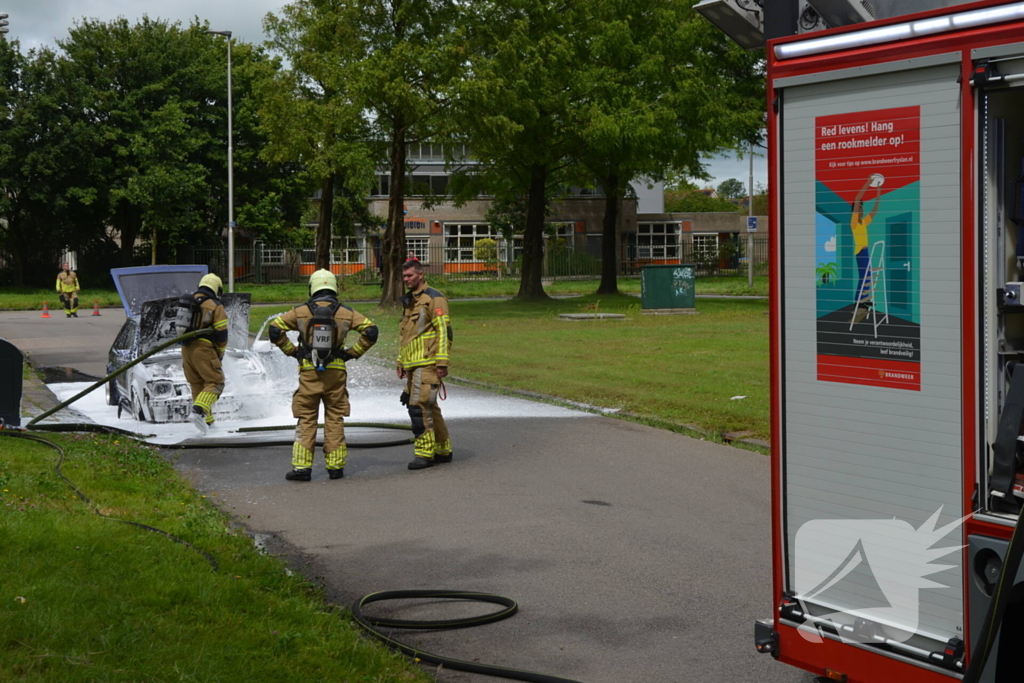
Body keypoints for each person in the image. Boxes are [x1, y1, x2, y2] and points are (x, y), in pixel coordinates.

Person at [269, 269, 378, 482]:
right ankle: (335, 467)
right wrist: (352, 353)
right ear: (334, 287)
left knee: (306, 418)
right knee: (334, 417)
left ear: (312, 287)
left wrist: (292, 351)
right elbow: (371, 331)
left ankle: (302, 469)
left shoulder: (300, 311)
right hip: (336, 373)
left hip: (309, 373)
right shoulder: (347, 313)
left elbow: (275, 330)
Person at [397, 259, 452, 470]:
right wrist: (401, 361)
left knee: (419, 408)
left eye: (410, 275)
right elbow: (406, 335)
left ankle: (424, 453)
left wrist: (442, 362)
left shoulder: (434, 299)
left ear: (420, 275)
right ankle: (442, 449)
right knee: (431, 408)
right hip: (413, 365)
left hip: (428, 363)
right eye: (404, 276)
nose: (406, 280)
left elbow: (444, 331)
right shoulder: (410, 301)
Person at [182, 273, 229, 435]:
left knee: (197, 384)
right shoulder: (214, 305)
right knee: (216, 382)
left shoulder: (189, 302)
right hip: (204, 348)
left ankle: (207, 422)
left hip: (186, 349)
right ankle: (198, 411)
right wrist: (220, 353)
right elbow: (222, 332)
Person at [850, 174, 882, 324]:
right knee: (864, 277)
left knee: (867, 277)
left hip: (866, 251)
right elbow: (857, 199)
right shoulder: (854, 223)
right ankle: (859, 301)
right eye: (859, 208)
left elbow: (875, 210)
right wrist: (867, 182)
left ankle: (865, 301)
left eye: (862, 208)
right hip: (860, 252)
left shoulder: (863, 223)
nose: (861, 210)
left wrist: (878, 192)